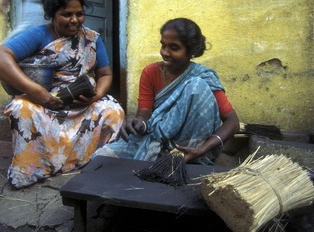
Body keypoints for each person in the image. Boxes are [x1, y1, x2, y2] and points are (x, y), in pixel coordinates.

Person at [0, 0, 124, 188]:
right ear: (52, 14)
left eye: (79, 14)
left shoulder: (92, 39)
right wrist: (36, 91)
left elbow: (105, 73)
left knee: (114, 112)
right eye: (66, 14)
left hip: (84, 101)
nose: (75, 20)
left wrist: (96, 95)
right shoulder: (39, 35)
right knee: (21, 108)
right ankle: (34, 168)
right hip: (49, 101)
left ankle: (95, 164)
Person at [94, 18, 239, 164]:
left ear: (191, 51)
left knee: (196, 85)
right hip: (155, 141)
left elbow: (232, 122)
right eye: (163, 46)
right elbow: (144, 115)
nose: (165, 53)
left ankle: (187, 157)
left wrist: (202, 149)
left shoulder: (202, 77)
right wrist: (137, 123)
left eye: (174, 48)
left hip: (190, 147)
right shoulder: (150, 72)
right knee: (101, 158)